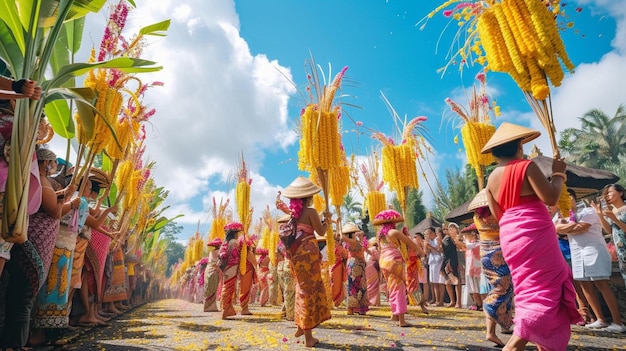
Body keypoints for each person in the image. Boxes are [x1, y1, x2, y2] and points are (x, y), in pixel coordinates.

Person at [482, 122, 581, 351]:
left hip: (511, 235)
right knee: (546, 289)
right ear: (519, 146)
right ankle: (517, 343)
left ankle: (539, 342)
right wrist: (558, 174)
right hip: (535, 232)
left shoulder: (490, 180)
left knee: (529, 287)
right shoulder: (526, 166)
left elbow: (499, 215)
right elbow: (551, 198)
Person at [559, 189, 625, 333]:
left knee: (601, 284)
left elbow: (581, 227)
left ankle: (617, 322)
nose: (565, 199)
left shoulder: (588, 211)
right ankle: (600, 319)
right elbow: (557, 228)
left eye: (568, 196)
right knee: (584, 285)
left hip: (593, 250)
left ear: (574, 198)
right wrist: (566, 228)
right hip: (577, 252)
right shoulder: (561, 215)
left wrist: (565, 228)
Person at [278, 176, 331, 347]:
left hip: (296, 256)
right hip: (308, 255)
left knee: (301, 288)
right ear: (308, 197)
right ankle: (308, 337)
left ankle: (300, 325)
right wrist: (328, 220)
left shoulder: (293, 215)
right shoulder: (311, 212)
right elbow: (321, 230)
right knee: (308, 291)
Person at [468, 189, 514, 348]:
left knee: (500, 288)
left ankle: (500, 326)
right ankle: (491, 324)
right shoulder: (498, 213)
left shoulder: (477, 217)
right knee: (502, 289)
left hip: (485, 254)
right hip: (498, 253)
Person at [373, 209, 422, 327]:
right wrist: (420, 250)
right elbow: (409, 242)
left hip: (383, 262)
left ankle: (394, 314)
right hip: (394, 261)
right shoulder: (394, 232)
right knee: (399, 287)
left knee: (391, 287)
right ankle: (401, 320)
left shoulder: (380, 235)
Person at [592, 184, 626, 286]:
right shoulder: (611, 211)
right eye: (605, 194)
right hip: (622, 253)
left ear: (620, 193)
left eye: (609, 192)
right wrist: (599, 214)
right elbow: (609, 231)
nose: (606, 196)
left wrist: (615, 219)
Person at [340, 223, 369, 315]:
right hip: (355, 264)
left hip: (357, 264)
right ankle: (352, 308)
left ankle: (356, 308)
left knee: (358, 286)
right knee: (355, 286)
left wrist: (359, 235)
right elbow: (342, 237)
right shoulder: (352, 242)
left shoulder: (354, 242)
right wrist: (338, 224)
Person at [218, 222, 244, 320]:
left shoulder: (225, 242)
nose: (238, 235)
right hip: (232, 266)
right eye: (237, 233)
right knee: (229, 288)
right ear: (234, 233)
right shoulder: (234, 242)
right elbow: (236, 255)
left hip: (225, 268)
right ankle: (224, 311)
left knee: (226, 286)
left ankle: (227, 310)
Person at [461, 224, 483, 311]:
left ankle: (482, 303)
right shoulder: (470, 243)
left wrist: (456, 240)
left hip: (477, 268)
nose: (465, 237)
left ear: (473, 234)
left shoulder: (478, 243)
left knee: (479, 287)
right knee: (473, 288)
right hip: (470, 268)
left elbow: (467, 246)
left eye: (467, 235)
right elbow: (463, 247)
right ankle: (477, 303)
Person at [405, 229, 428, 314]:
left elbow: (421, 254)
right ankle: (402, 308)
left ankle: (422, 304)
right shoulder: (403, 245)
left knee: (414, 287)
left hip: (412, 269)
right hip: (404, 268)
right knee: (405, 288)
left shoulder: (412, 245)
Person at [442, 223, 462, 308]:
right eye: (447, 229)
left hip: (454, 260)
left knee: (456, 281)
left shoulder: (456, 238)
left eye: (451, 229)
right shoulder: (444, 239)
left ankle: (459, 302)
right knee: (447, 282)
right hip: (446, 261)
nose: (447, 230)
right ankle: (452, 301)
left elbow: (459, 248)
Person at [424, 227, 444, 306]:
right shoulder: (429, 241)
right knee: (432, 282)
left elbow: (440, 250)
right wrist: (426, 245)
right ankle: (434, 298)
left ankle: (439, 300)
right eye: (425, 234)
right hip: (432, 262)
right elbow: (426, 253)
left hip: (438, 261)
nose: (427, 235)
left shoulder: (437, 239)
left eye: (428, 233)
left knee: (437, 282)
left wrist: (431, 247)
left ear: (433, 233)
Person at [204, 237, 223, 312]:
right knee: (213, 289)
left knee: (208, 289)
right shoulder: (219, 252)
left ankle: (207, 306)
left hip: (208, 270)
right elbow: (219, 262)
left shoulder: (211, 252)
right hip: (214, 271)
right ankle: (211, 307)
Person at [364, 237, 381, 307]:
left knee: (369, 285)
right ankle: (373, 301)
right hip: (372, 268)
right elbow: (378, 259)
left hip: (368, 268)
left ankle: (370, 301)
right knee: (374, 285)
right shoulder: (373, 249)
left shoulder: (369, 249)